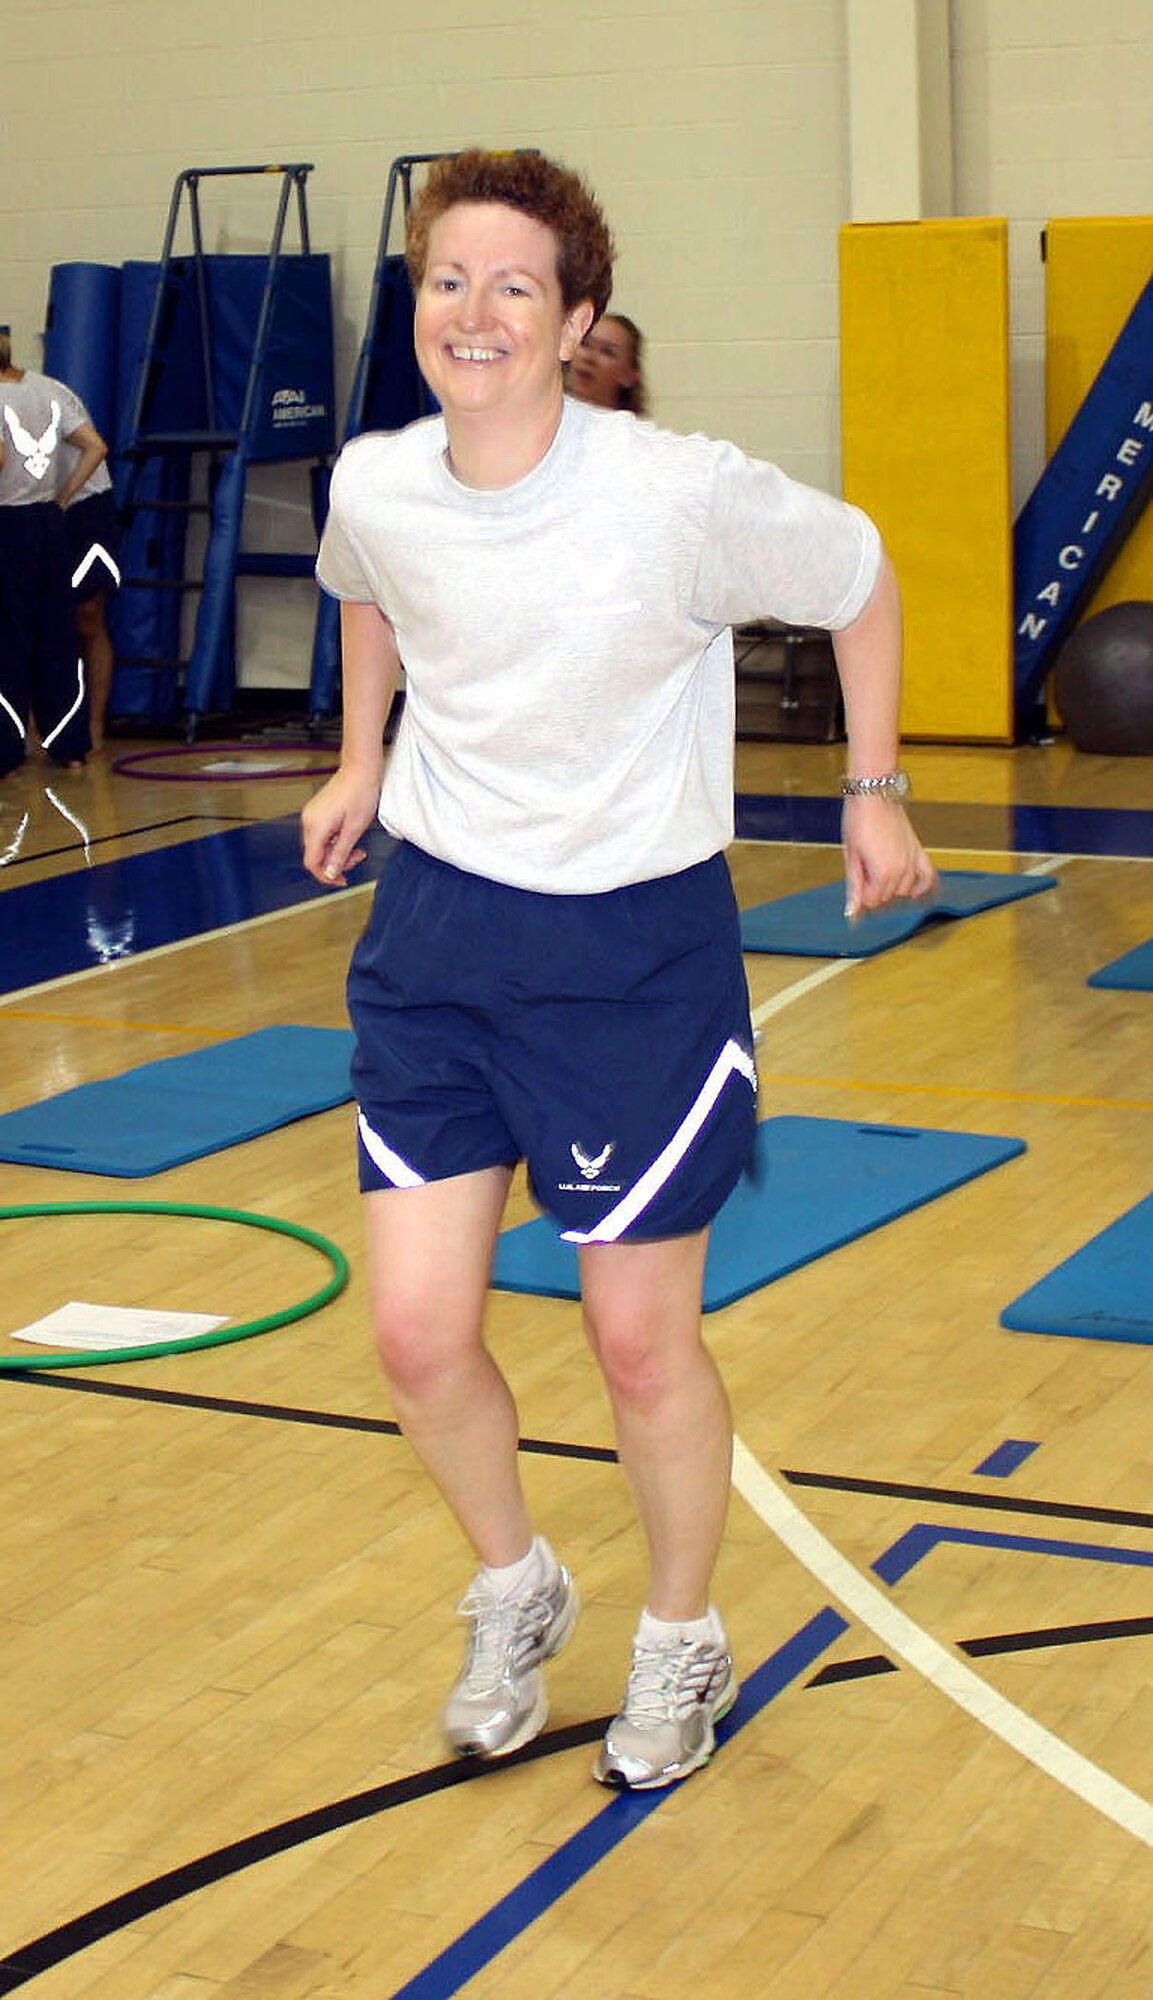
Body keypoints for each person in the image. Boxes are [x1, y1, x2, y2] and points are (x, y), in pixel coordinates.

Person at [301, 149, 936, 1792]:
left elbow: (859, 570)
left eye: (515, 285)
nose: (475, 312)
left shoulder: (673, 491)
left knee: (636, 1340)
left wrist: (871, 790)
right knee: (416, 1335)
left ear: (579, 320)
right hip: (436, 936)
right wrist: (362, 761)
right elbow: (369, 589)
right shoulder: (377, 480)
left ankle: (677, 1635)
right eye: (449, 279)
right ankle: (515, 1587)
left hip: (629, 956)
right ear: (417, 302)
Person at [0, 330, 105, 774]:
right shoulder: (48, 389)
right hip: (48, 521)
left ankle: (6, 749)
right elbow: (96, 446)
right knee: (57, 635)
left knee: (7, 637)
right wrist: (62, 495)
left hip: (6, 522)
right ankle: (69, 746)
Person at [59, 436, 121, 753]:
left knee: (89, 617)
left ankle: (94, 727)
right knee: (27, 622)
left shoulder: (55, 395)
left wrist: (63, 498)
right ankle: (33, 732)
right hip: (26, 509)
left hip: (84, 505)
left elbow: (97, 447)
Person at [568, 309, 648, 414]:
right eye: (585, 344)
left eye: (607, 352)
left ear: (628, 375)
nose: (589, 358)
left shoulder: (629, 429)